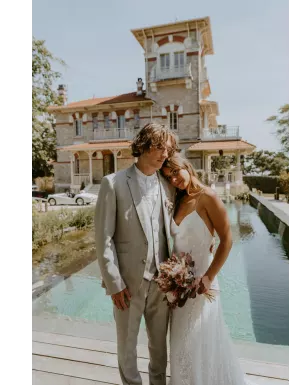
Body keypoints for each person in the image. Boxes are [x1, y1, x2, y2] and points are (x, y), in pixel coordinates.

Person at [161, 153, 255, 385]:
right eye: (168, 177)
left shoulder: (208, 197)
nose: (174, 179)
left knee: (199, 341)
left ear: (186, 166)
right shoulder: (178, 199)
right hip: (179, 286)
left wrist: (209, 277)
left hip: (202, 283)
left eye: (175, 172)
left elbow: (227, 240)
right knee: (180, 344)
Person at [94, 122, 177, 385]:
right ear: (142, 145)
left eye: (167, 149)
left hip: (162, 281)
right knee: (127, 346)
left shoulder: (168, 184)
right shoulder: (113, 183)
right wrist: (114, 283)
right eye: (159, 147)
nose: (164, 154)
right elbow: (103, 238)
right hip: (128, 284)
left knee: (159, 348)